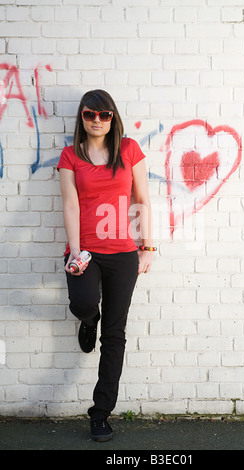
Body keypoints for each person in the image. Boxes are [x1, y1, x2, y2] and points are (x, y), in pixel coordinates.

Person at [57, 89, 155, 442]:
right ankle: (88, 319)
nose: (97, 121)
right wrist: (76, 253)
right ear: (81, 118)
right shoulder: (70, 155)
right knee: (82, 302)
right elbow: (70, 205)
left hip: (123, 255)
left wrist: (148, 247)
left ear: (113, 118)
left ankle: (101, 413)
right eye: (89, 114)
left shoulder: (129, 150)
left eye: (104, 115)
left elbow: (142, 199)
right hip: (86, 251)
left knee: (115, 335)